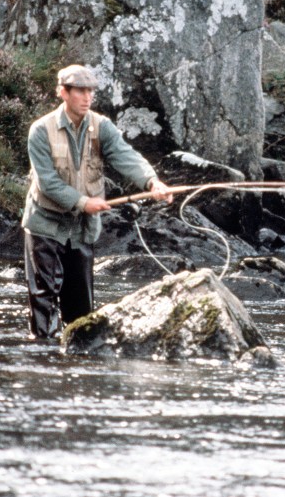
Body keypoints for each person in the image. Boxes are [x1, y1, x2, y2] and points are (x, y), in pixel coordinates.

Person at [21, 64, 173, 339]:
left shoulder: (101, 127)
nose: (87, 97)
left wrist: (152, 182)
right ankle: (41, 361)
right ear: (62, 92)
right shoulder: (40, 130)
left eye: (90, 91)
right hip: (45, 225)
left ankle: (77, 370)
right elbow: (47, 183)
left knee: (81, 310)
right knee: (44, 301)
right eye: (80, 90)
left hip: (81, 230)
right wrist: (83, 202)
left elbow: (126, 157)